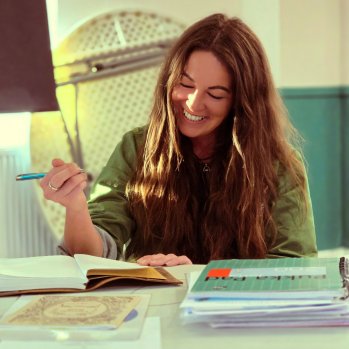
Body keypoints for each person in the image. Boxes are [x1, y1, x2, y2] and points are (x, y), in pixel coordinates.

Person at [40, 13, 317, 266]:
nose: (194, 105)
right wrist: (76, 207)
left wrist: (199, 276)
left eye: (216, 94)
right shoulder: (136, 148)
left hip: (237, 315)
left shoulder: (278, 165)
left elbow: (293, 267)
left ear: (241, 102)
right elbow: (91, 254)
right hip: (150, 310)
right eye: (185, 84)